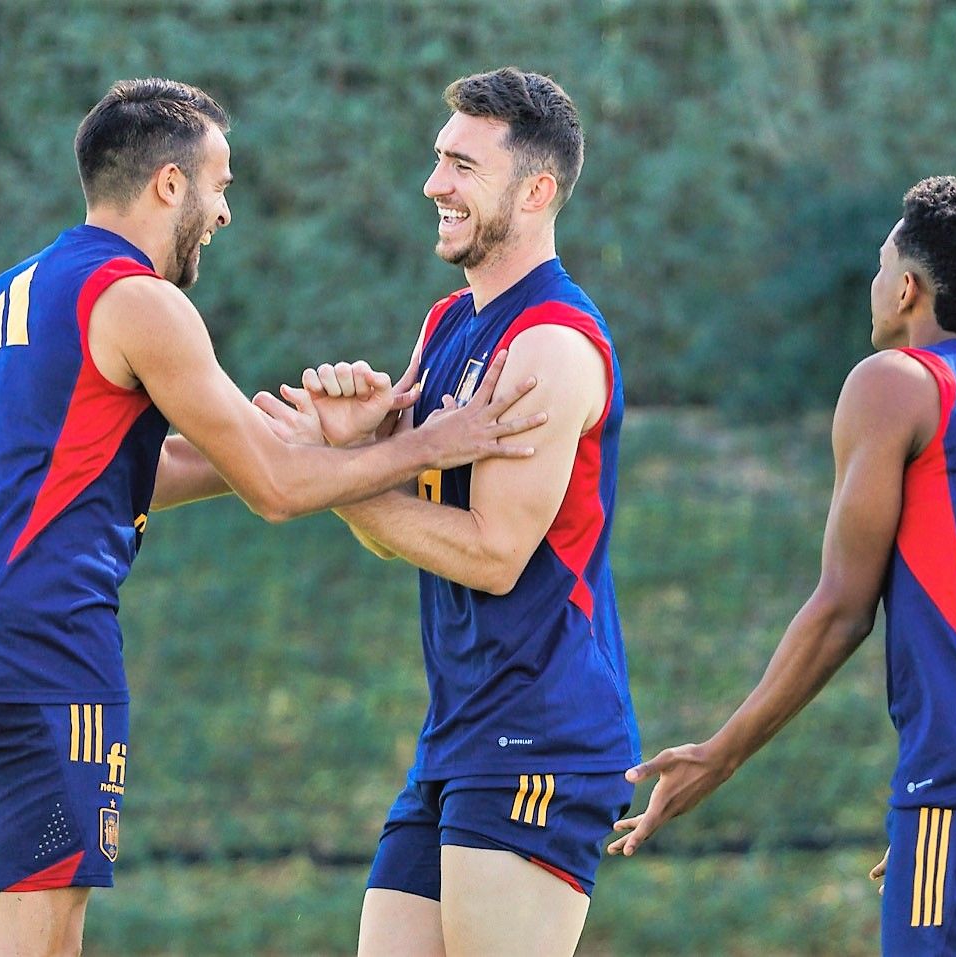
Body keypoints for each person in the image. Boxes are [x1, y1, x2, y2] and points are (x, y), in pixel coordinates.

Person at [0, 77, 541, 957]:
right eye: (220, 186)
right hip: (36, 654)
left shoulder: (15, 291)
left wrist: (314, 445)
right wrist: (428, 444)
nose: (224, 212)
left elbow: (125, 471)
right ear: (168, 184)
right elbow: (273, 489)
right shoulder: (143, 301)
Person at [607, 176, 956, 956]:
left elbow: (843, 606)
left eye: (883, 267)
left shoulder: (898, 383)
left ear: (909, 288)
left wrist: (723, 751)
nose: (875, 284)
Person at [294, 67, 638, 956]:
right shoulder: (448, 321)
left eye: (461, 165)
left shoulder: (550, 344)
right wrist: (355, 451)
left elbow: (491, 554)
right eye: (438, 159)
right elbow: (397, 534)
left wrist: (343, 473)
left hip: (541, 733)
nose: (434, 184)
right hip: (460, 732)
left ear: (535, 191)